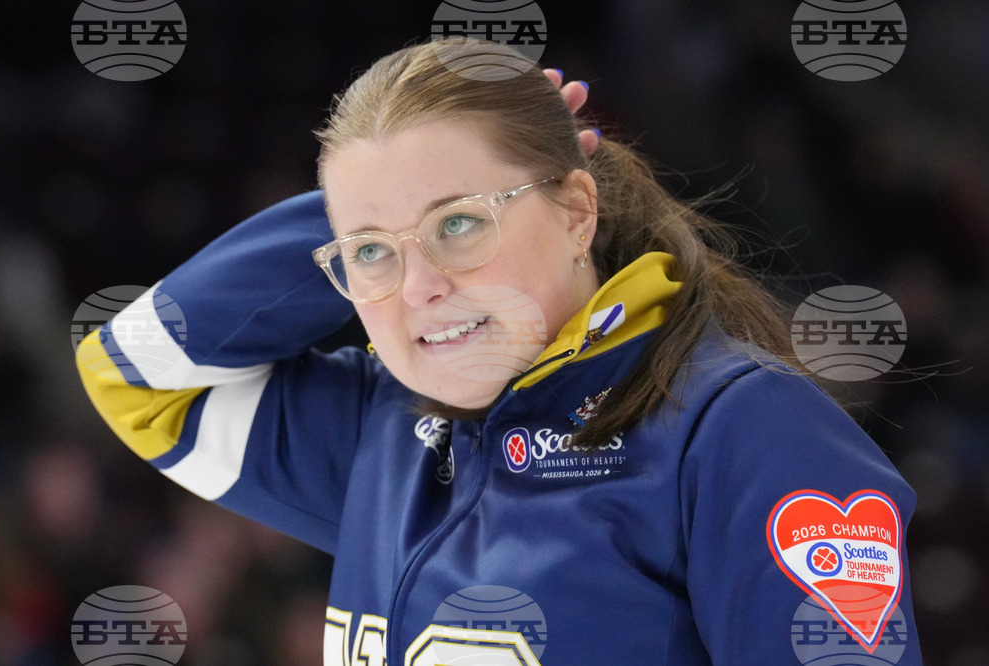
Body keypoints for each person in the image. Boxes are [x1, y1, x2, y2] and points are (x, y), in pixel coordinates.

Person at [76, 40, 921, 664]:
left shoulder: (748, 428)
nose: (419, 288)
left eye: (460, 225)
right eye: (370, 254)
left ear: (577, 212)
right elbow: (135, 374)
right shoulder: (380, 431)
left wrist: (404, 191)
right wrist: (374, 193)